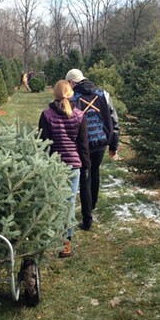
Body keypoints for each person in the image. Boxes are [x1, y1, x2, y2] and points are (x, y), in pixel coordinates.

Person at [39, 80, 90, 258]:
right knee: (69, 204)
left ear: (54, 94)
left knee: (53, 203)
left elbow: (43, 142)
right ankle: (66, 244)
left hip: (54, 165)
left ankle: (50, 238)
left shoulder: (46, 115)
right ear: (70, 94)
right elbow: (83, 144)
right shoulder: (79, 115)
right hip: (74, 165)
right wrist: (85, 166)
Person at [65, 68, 114, 231]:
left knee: (85, 178)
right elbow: (112, 119)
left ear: (72, 82)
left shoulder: (72, 97)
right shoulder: (102, 94)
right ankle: (92, 206)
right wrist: (112, 142)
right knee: (95, 173)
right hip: (101, 141)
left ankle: (87, 219)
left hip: (83, 144)